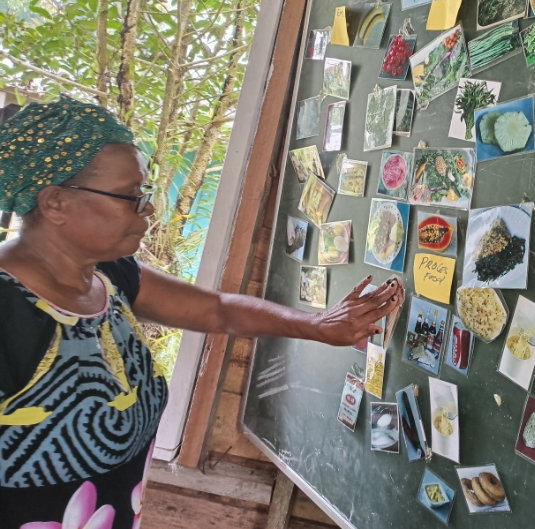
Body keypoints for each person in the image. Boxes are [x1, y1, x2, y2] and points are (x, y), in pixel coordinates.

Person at [0, 96, 405, 529]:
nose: (149, 208)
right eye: (130, 196)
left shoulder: (109, 275)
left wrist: (318, 325)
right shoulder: (8, 308)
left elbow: (217, 311)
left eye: (145, 193)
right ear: (55, 202)